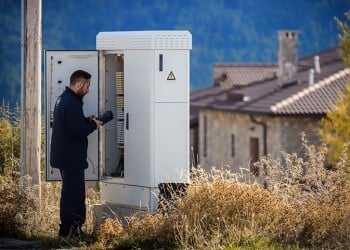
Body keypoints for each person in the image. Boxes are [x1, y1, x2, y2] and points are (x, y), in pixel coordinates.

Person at [50, 69, 103, 240]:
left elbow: (72, 124)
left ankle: (67, 231)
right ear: (79, 84)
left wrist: (87, 120)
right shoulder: (71, 102)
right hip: (71, 157)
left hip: (65, 155)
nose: (88, 89)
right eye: (87, 85)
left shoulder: (64, 99)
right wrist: (94, 125)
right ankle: (72, 232)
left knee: (70, 193)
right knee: (75, 195)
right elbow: (78, 130)